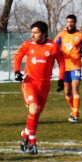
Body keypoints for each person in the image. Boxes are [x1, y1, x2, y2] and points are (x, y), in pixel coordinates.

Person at [13, 21, 65, 154]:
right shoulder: (28, 45)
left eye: (36, 32)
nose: (33, 35)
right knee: (34, 109)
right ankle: (32, 143)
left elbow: (61, 62)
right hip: (29, 82)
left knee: (35, 115)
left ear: (44, 33)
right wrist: (17, 72)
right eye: (32, 32)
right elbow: (18, 56)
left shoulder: (52, 47)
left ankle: (25, 134)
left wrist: (60, 79)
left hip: (44, 85)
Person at [54, 14, 82, 123]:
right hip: (64, 66)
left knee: (75, 88)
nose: (69, 24)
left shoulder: (80, 35)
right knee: (67, 92)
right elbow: (53, 46)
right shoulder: (61, 34)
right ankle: (74, 109)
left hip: (76, 66)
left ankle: (75, 115)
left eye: (71, 22)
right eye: (67, 22)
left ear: (75, 23)